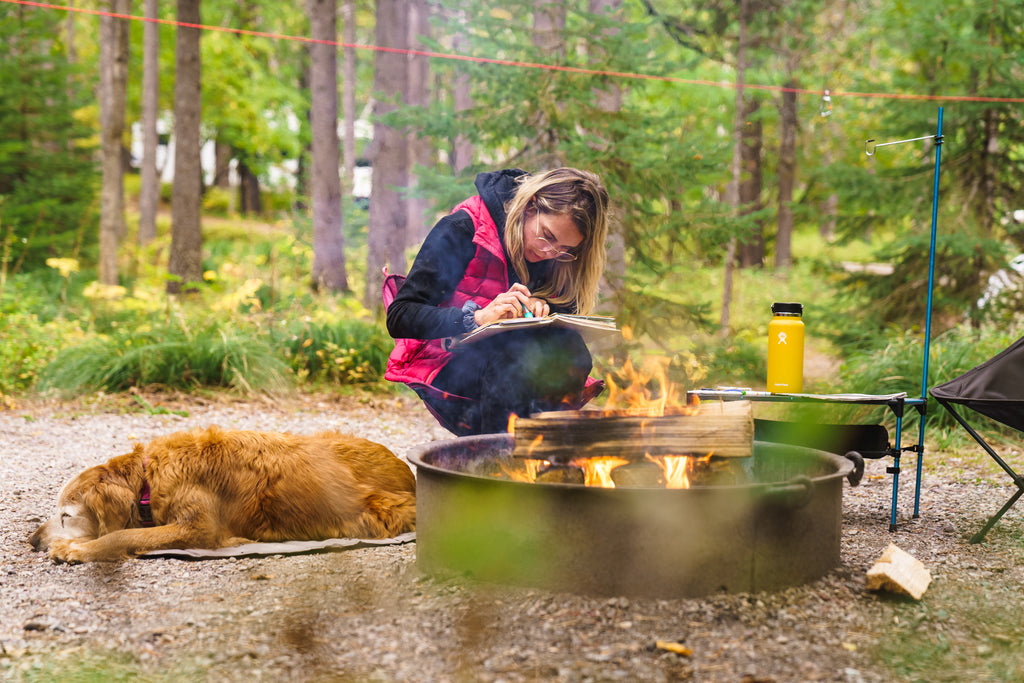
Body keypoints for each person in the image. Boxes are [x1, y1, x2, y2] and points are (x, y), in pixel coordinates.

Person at [385, 167, 611, 435]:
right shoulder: (462, 229)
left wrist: (544, 306)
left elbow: (566, 310)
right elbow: (400, 315)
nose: (550, 252)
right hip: (448, 365)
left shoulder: (557, 256)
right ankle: (498, 461)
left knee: (573, 351)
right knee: (513, 355)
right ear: (531, 205)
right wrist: (476, 317)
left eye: (565, 249)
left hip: (520, 370)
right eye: (547, 236)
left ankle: (545, 454)